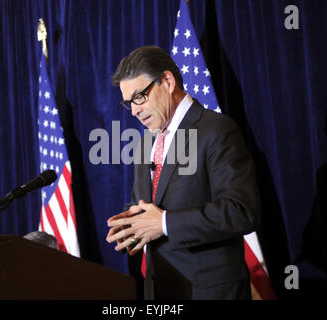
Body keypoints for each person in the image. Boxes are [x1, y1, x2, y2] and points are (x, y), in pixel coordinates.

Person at [106, 46, 261, 299]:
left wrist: (164, 223)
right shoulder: (147, 143)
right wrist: (130, 227)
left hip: (210, 293)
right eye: (128, 103)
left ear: (167, 81)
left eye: (139, 97)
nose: (134, 110)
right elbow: (148, 207)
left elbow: (241, 211)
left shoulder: (216, 130)